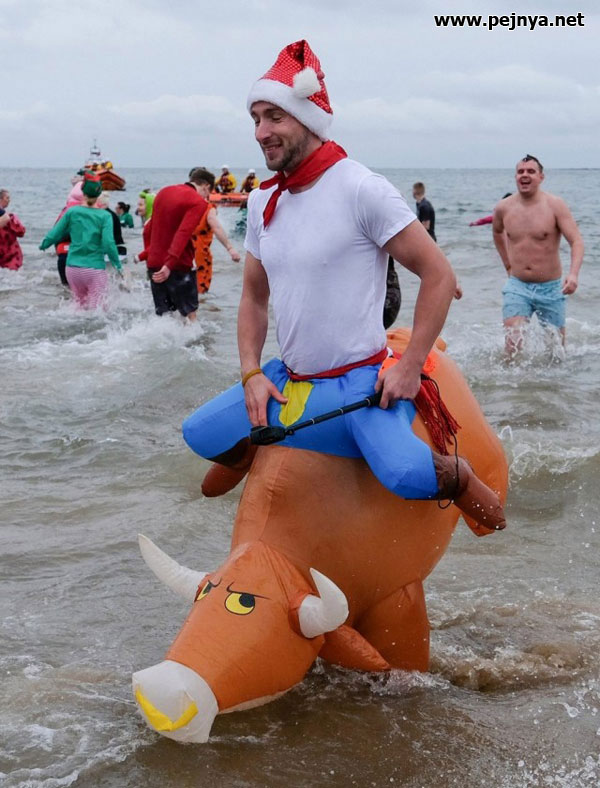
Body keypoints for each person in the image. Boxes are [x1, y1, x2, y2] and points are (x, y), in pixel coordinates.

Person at [182, 40, 506, 533]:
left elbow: (439, 275)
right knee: (198, 434)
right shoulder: (262, 202)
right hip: (290, 380)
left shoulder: (360, 188)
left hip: (360, 382)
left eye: (274, 117)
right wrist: (251, 373)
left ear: (308, 120)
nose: (261, 132)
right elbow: (253, 297)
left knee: (404, 475)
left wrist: (411, 367)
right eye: (256, 119)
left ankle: (457, 476)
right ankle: (260, 441)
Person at [493, 155, 584, 356]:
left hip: (550, 288)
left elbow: (576, 241)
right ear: (515, 176)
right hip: (517, 285)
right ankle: (514, 378)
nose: (525, 175)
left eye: (531, 171)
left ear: (541, 177)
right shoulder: (503, 207)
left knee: (556, 352)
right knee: (512, 346)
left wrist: (573, 274)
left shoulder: (555, 205)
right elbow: (497, 232)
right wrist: (508, 265)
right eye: (520, 171)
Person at [141, 168, 214, 322]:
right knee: (190, 315)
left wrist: (148, 256)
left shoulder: (164, 192)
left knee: (163, 317)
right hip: (178, 265)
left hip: (154, 263)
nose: (206, 198)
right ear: (206, 186)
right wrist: (169, 263)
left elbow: (148, 229)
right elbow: (184, 232)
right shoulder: (197, 202)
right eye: (208, 194)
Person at [39, 173, 121, 308]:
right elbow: (108, 243)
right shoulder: (105, 216)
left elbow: (55, 233)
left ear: (83, 191)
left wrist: (44, 244)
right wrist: (117, 265)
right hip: (94, 269)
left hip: (72, 269)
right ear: (99, 193)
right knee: (98, 311)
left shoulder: (72, 212)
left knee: (78, 307)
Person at [187, 168, 241, 295]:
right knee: (199, 293)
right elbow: (216, 227)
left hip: (181, 255)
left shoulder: (182, 202)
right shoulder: (207, 207)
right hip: (200, 256)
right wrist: (230, 248)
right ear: (206, 187)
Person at [0, 189, 26, 270]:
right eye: (7, 198)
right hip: (11, 252)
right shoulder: (10, 217)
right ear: (1, 199)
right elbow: (21, 231)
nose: (9, 200)